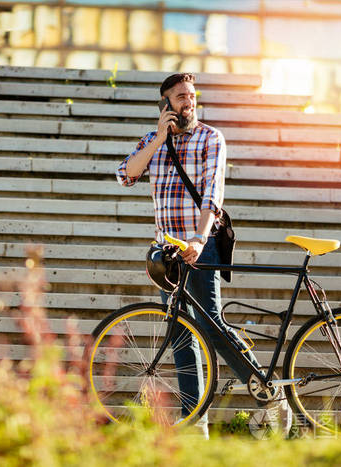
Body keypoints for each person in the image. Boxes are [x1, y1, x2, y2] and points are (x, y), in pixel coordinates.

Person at [115, 73, 291, 439]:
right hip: (167, 251)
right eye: (180, 97)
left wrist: (198, 237)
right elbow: (125, 174)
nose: (188, 102)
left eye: (192, 96)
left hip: (201, 243)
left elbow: (212, 194)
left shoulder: (211, 138)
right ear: (164, 104)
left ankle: (270, 395)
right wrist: (160, 139)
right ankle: (195, 424)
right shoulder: (152, 140)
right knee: (180, 332)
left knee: (210, 321)